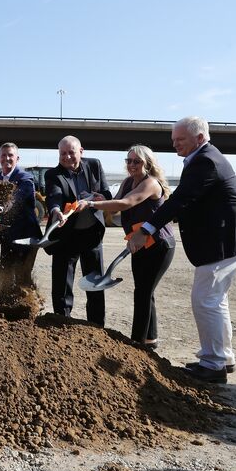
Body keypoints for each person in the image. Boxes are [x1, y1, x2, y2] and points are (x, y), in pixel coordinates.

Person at [128, 116, 236, 383]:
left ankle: (213, 365)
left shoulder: (206, 161)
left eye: (180, 140)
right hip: (228, 238)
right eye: (173, 140)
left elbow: (180, 200)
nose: (175, 144)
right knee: (215, 299)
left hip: (224, 240)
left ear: (199, 138)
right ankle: (223, 357)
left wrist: (145, 231)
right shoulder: (204, 158)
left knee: (205, 299)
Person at [75, 145, 175, 347]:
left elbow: (126, 203)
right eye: (128, 161)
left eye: (136, 161)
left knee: (143, 292)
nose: (131, 165)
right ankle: (151, 338)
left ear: (147, 163)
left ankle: (137, 342)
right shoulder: (128, 181)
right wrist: (103, 200)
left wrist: (92, 205)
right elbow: (116, 202)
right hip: (139, 242)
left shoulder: (151, 184)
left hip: (159, 244)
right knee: (145, 290)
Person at [44, 135, 111, 326]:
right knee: (62, 284)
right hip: (66, 235)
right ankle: (62, 322)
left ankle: (97, 326)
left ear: (81, 151)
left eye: (71, 153)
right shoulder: (53, 174)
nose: (66, 157)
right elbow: (54, 197)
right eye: (62, 154)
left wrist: (94, 199)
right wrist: (56, 211)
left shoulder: (95, 166)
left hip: (92, 234)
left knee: (96, 283)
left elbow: (106, 194)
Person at [0, 142, 43, 304]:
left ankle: (27, 309)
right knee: (5, 274)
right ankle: (4, 308)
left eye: (10, 155)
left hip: (26, 237)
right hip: (6, 235)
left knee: (22, 275)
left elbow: (18, 198)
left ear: (17, 158)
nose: (7, 158)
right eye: (4, 155)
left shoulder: (25, 178)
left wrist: (3, 206)